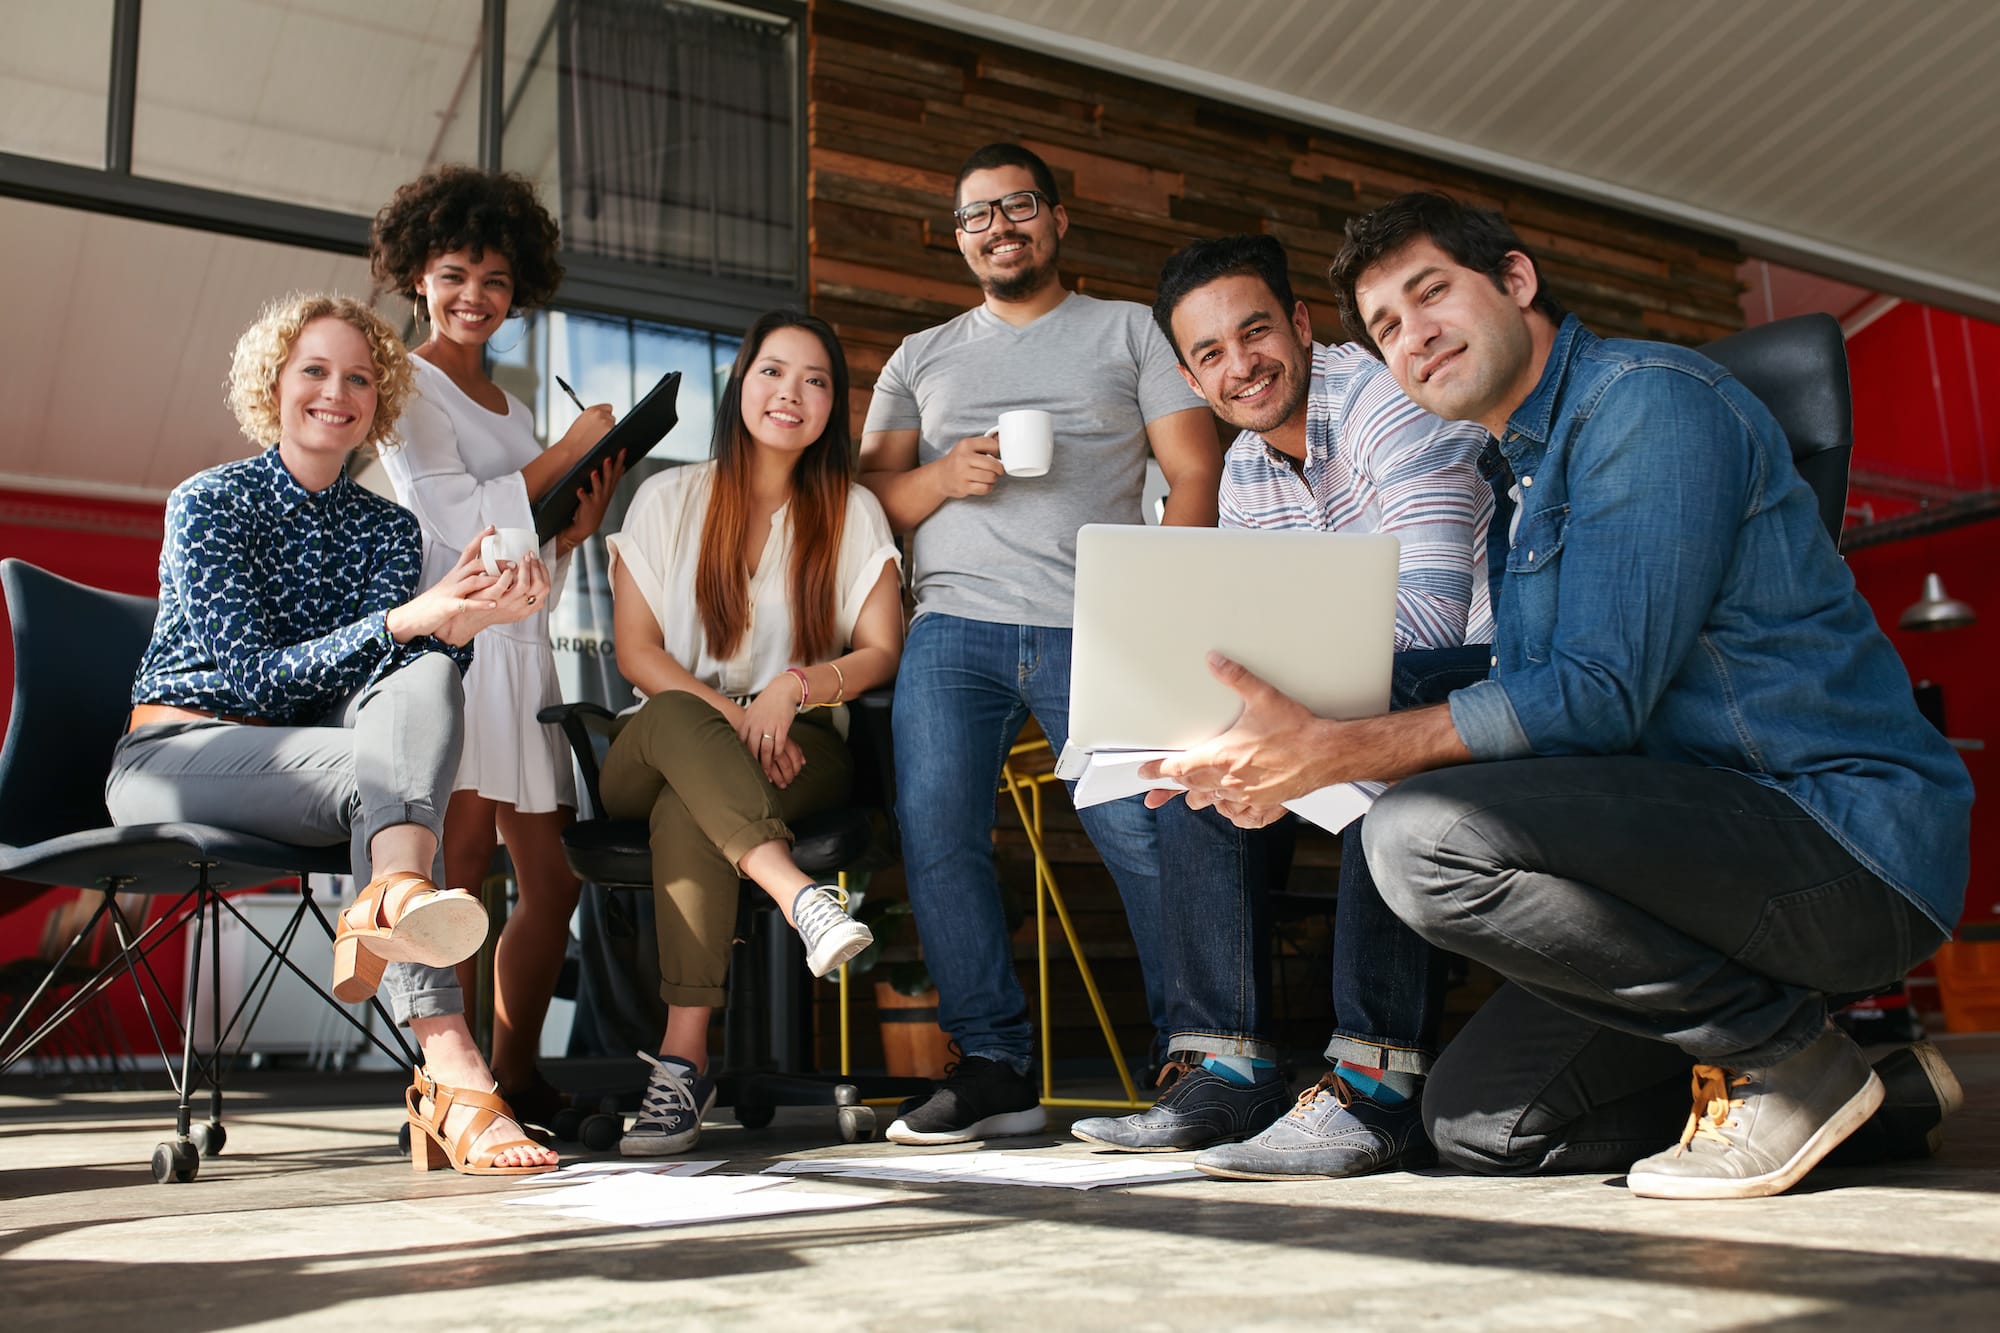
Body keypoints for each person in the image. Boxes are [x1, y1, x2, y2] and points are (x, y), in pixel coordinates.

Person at [1152, 192, 1972, 1199]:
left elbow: (1594, 698)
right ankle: (1868, 1093)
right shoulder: (1519, 478)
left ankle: (1780, 1053)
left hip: (1834, 840)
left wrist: (1343, 750)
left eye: (1430, 296)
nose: (1413, 339)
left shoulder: (1647, 402)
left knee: (1415, 836)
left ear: (1514, 278)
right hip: (1681, 868)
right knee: (1484, 1129)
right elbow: (1530, 712)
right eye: (1387, 327)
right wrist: (1284, 774)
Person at [1069, 234, 1496, 1177]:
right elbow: (1253, 648)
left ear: (1300, 325)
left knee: (1364, 703)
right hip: (1353, 693)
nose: (1241, 366)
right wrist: (1240, 740)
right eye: (1210, 355)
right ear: (1190, 376)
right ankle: (1225, 1066)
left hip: (1474, 683)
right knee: (1199, 749)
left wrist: (1293, 735)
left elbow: (1428, 619)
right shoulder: (1246, 473)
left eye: (1255, 332)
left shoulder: (1389, 398)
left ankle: (1376, 1088)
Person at [107, 293, 560, 1175]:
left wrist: (452, 635)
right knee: (388, 746)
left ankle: (389, 894)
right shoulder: (208, 503)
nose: (336, 391)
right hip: (179, 756)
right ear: (273, 383)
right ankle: (454, 1070)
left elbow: (387, 698)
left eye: (359, 377)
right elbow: (253, 679)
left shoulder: (388, 529)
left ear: (379, 399)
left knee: (424, 677)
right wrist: (405, 620)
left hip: (330, 766)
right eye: (314, 370)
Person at [857, 142, 1223, 1145]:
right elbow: (863, 502)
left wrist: (1163, 605)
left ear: (1057, 220)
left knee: (1142, 837)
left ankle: (1196, 1056)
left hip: (1093, 621)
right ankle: (993, 1068)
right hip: (953, 626)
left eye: (1016, 206)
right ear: (960, 239)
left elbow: (1192, 470)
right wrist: (939, 481)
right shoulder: (919, 355)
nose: (997, 226)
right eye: (976, 215)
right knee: (936, 839)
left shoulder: (1128, 331)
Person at [601, 310, 903, 1156]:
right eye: (773, 371)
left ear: (832, 407)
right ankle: (799, 896)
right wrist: (733, 714)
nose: (791, 393)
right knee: (675, 721)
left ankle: (683, 1061)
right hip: (659, 735)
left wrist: (796, 687)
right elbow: (637, 653)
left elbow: (882, 648)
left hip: (797, 749)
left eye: (815, 380)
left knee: (688, 811)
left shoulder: (851, 510)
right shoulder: (667, 498)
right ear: (742, 384)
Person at [369, 166, 624, 1130]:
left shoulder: (511, 408)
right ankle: (454, 1086)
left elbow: (522, 541)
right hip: (462, 646)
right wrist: (565, 451)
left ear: (521, 291)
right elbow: (450, 515)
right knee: (462, 871)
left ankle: (516, 1073)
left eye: (495, 281)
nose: (473, 296)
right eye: (452, 273)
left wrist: (573, 523)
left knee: (553, 879)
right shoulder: (406, 383)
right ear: (418, 276)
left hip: (526, 649)